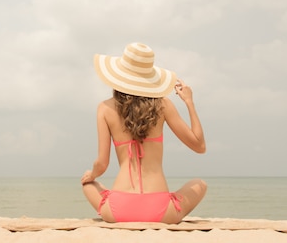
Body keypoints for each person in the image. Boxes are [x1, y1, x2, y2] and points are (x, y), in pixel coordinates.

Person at [81, 42, 207, 224]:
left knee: (88, 184)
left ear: (118, 76)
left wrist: (92, 174)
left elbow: (102, 164)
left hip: (118, 210)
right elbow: (199, 146)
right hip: (160, 211)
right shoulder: (163, 105)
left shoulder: (104, 108)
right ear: (149, 79)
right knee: (200, 184)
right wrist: (189, 102)